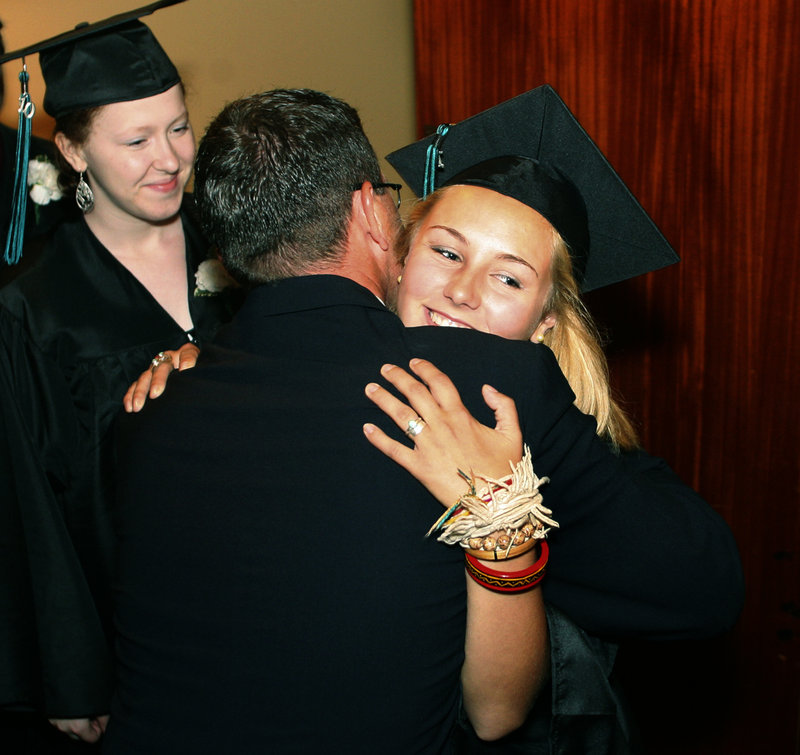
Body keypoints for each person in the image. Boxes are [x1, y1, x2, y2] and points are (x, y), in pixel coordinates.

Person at [106, 88, 741, 753]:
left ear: (545, 328)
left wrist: (504, 503)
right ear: (394, 250)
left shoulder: (530, 419)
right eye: (445, 252)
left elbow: (695, 583)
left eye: (508, 279)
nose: (463, 291)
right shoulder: (209, 378)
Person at [0, 6, 239, 749]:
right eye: (135, 139)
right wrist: (74, 672)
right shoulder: (37, 308)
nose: (168, 158)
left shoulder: (241, 252)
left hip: (262, 597)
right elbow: (28, 507)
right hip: (132, 631)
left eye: (178, 126)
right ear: (72, 149)